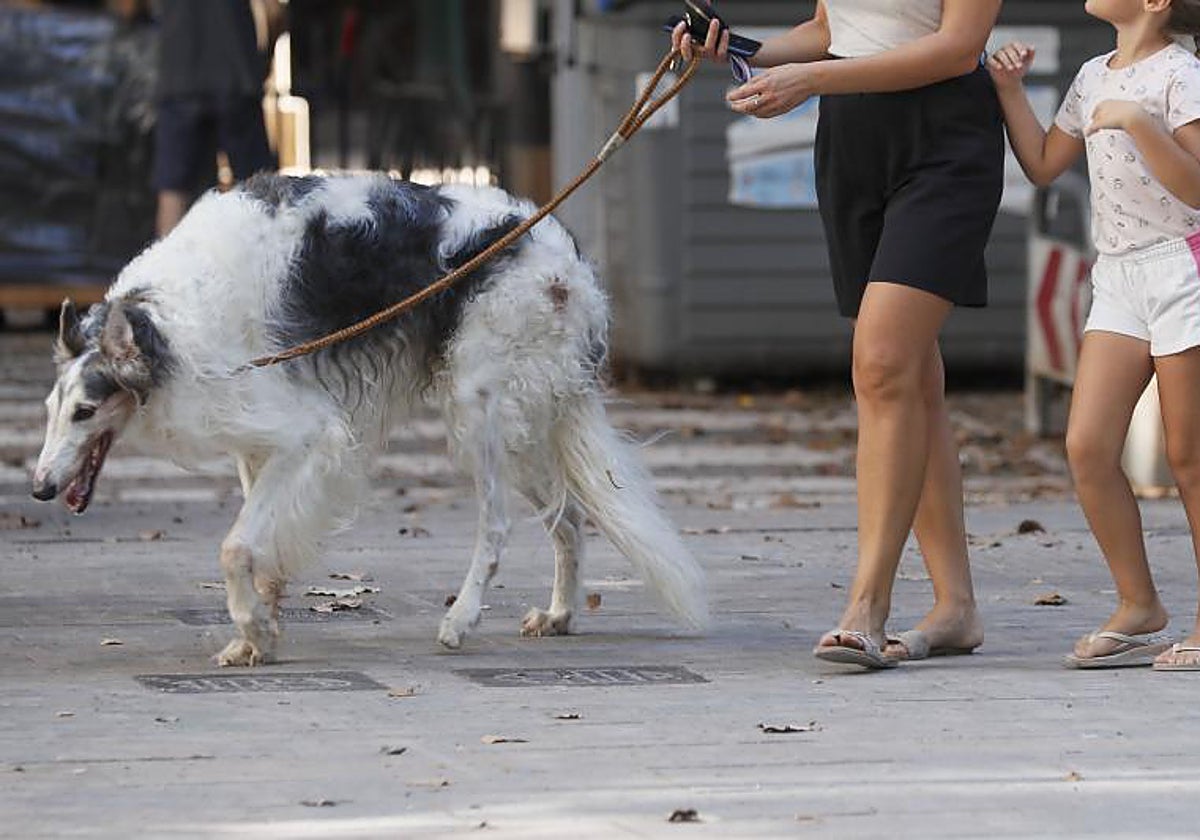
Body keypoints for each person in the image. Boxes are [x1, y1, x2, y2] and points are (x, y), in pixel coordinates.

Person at [674, 2, 1003, 669]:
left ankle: (867, 605)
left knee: (882, 363)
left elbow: (956, 49)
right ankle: (956, 607)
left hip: (943, 139)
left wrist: (812, 80)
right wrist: (743, 50)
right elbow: (833, 31)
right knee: (910, 374)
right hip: (854, 141)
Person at [989, 0, 1200, 671]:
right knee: (1086, 446)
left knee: (1189, 454)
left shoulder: (1180, 74)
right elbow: (1045, 165)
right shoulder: (1090, 75)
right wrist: (1009, 91)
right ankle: (1139, 604)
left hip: (1183, 264)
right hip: (1117, 274)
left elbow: (1196, 189)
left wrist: (1140, 124)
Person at [153, 0, 284, 237]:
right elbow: (274, 11)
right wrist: (263, 59)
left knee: (174, 192)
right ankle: (270, 265)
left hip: (178, 77)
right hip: (236, 76)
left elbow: (127, 7)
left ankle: (168, 271)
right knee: (259, 193)